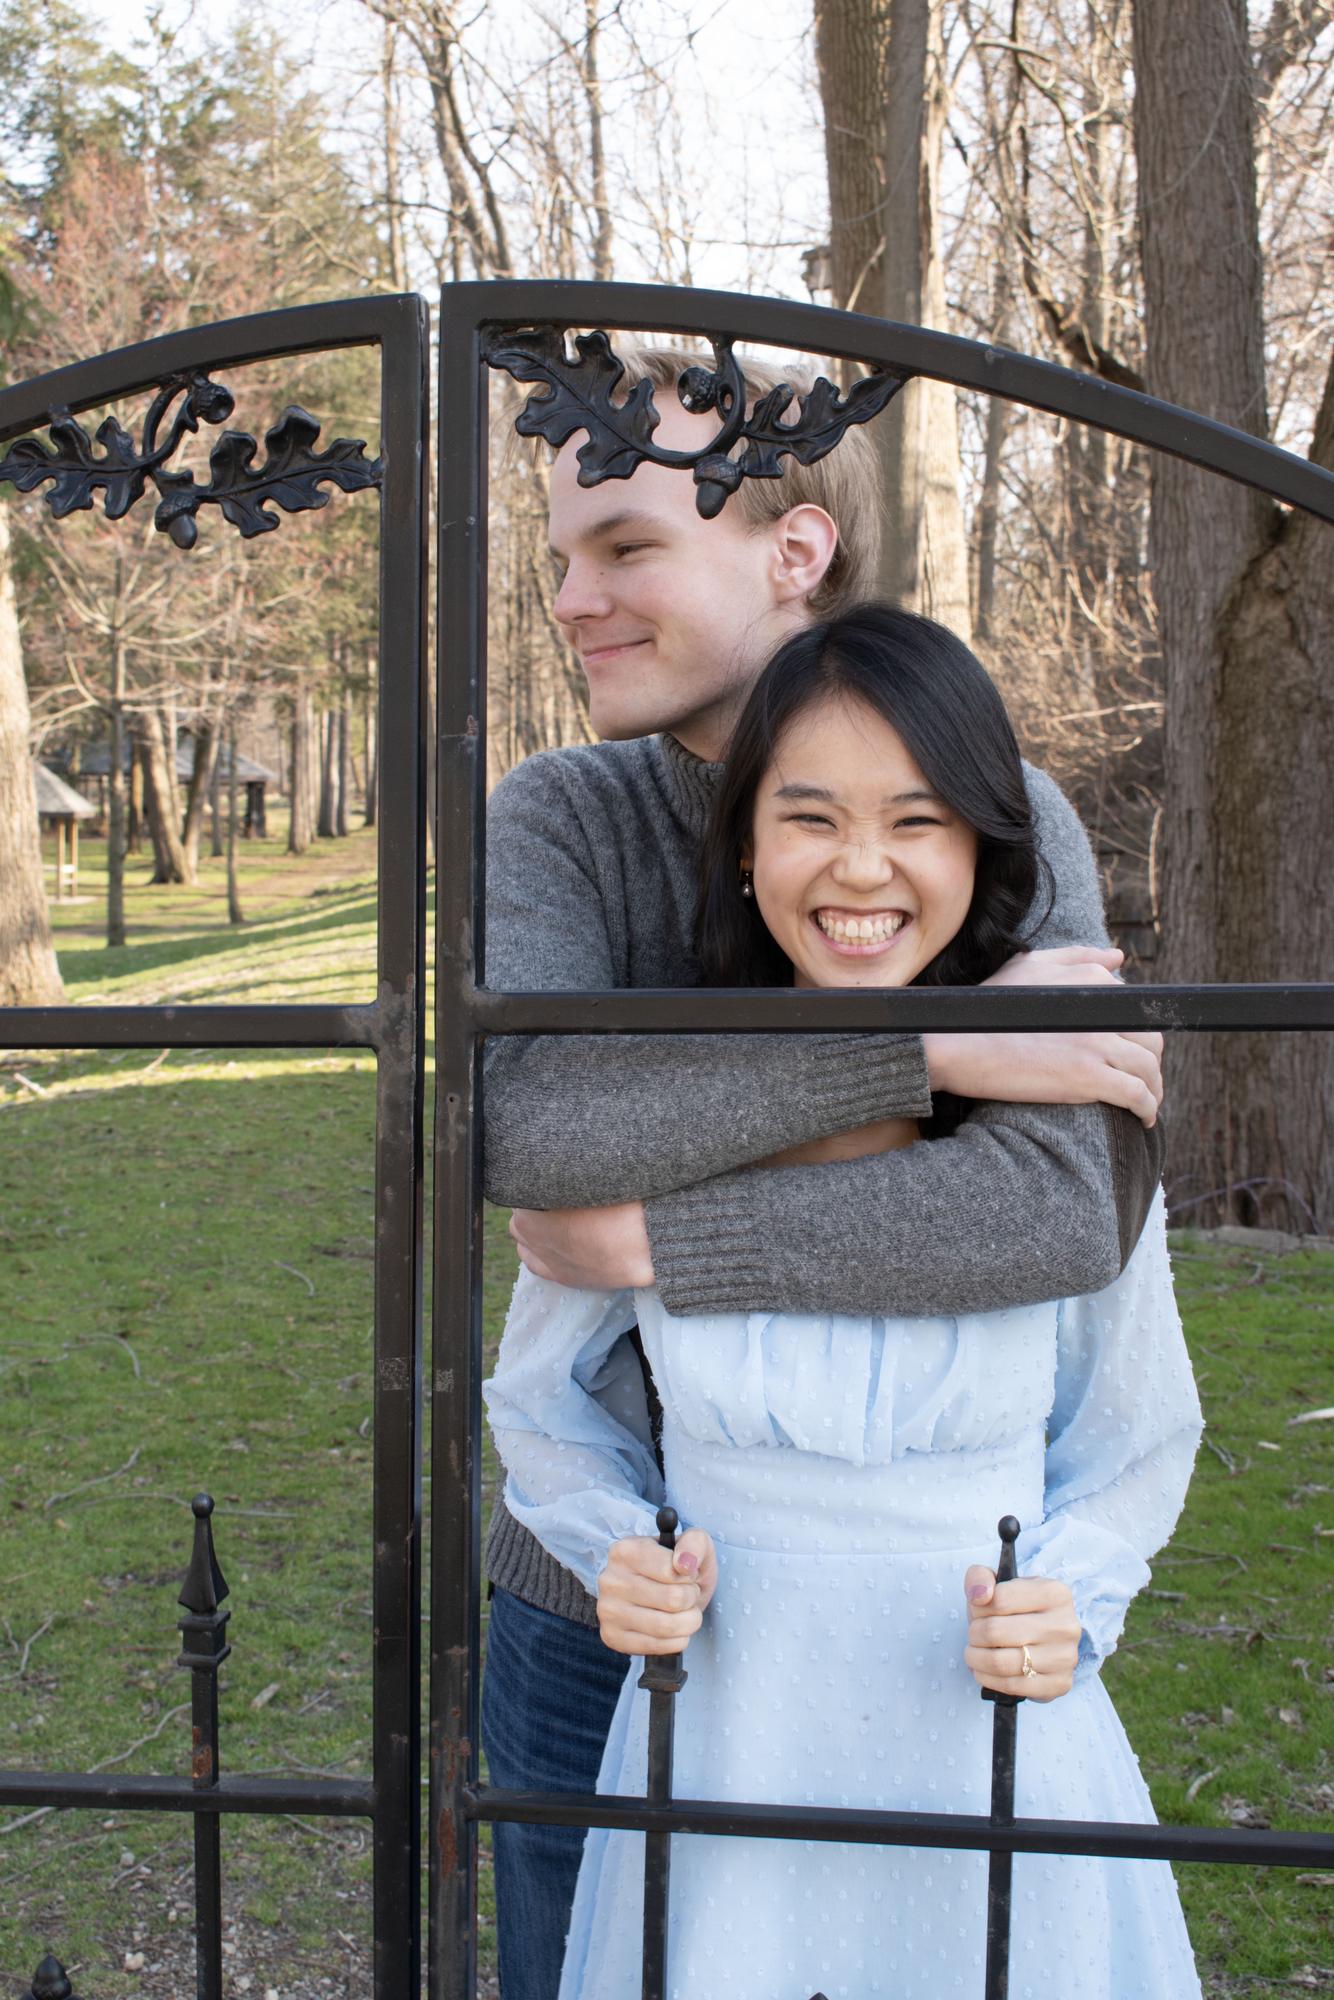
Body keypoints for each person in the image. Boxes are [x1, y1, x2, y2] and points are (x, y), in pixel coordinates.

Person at [480, 346, 1167, 2000]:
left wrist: (653, 1239)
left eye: (625, 547)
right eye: (561, 556)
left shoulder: (993, 808)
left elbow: (1056, 1211)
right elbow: (525, 1141)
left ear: (794, 548)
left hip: (936, 1618)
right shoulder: (561, 817)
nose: (571, 600)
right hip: (608, 1606)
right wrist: (923, 1046)